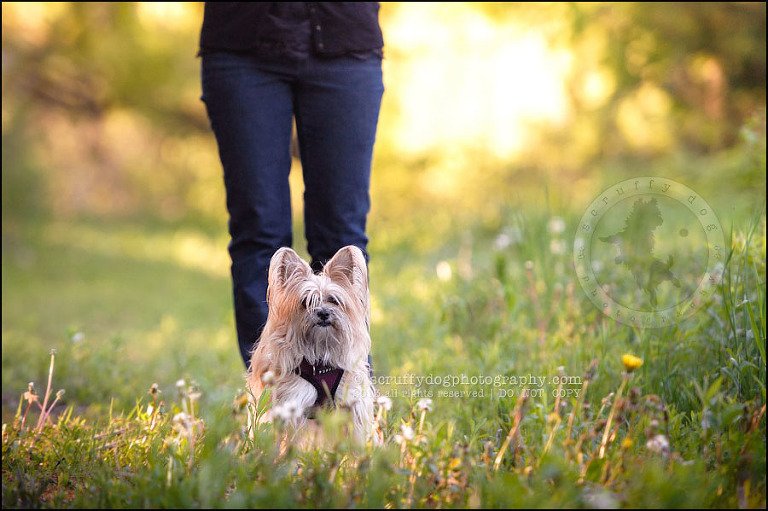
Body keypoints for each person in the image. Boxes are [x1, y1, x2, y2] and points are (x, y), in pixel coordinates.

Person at [199, 3, 384, 368]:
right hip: (241, 45)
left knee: (343, 237)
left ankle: (345, 400)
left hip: (345, 42)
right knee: (259, 231)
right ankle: (275, 395)